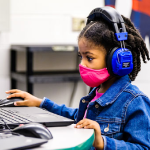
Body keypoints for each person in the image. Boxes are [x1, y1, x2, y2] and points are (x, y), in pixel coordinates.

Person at [6, 7, 150, 150]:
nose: (82, 64)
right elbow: (78, 117)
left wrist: (102, 143)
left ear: (117, 59)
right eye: (81, 57)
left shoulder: (134, 101)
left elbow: (143, 147)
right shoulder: (97, 91)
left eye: (89, 57)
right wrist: (40, 103)